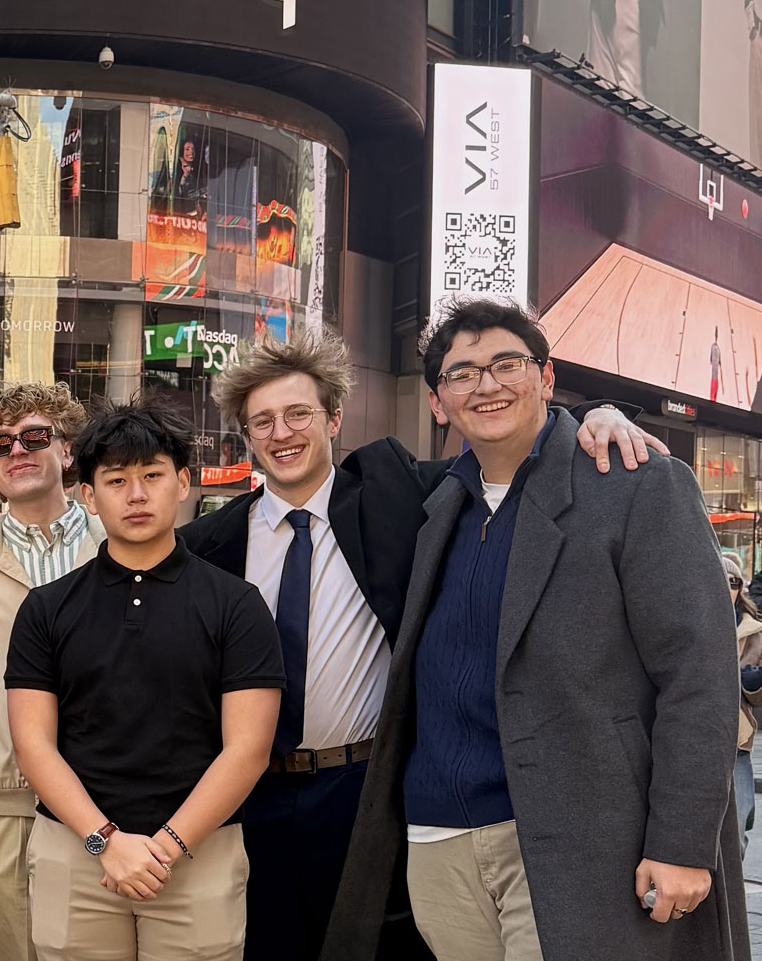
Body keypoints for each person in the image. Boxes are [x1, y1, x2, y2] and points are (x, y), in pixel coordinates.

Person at [184, 329, 668, 961]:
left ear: (333, 417)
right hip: (249, 793)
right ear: (247, 438)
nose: (283, 433)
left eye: (299, 413)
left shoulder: (400, 491)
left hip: (363, 789)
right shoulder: (208, 544)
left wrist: (594, 417)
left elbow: (502, 443)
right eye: (263, 422)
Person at [333, 298, 742, 961]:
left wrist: (683, 844)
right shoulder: (438, 506)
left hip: (580, 837)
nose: (486, 385)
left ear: (547, 379)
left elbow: (698, 676)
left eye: (506, 364)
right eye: (462, 374)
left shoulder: (636, 485)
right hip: (441, 839)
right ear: (439, 403)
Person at [6, 399, 283, 961]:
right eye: (116, 480)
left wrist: (168, 846)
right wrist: (105, 841)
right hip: (76, 852)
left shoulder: (236, 604)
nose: (136, 495)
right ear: (88, 494)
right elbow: (33, 745)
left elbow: (248, 749)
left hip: (200, 851)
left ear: (183, 483)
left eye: (153, 476)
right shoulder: (46, 609)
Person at [0, 381, 96, 961]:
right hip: (2, 815)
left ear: (67, 449)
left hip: (112, 805)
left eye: (34, 436)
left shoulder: (126, 552)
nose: (16, 452)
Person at [729, 554, 762, 859]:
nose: (728, 587)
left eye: (734, 582)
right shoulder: (692, 620)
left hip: (737, 740)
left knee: (739, 825)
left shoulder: (754, 631)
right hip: (695, 737)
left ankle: (733, 895)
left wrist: (752, 680)